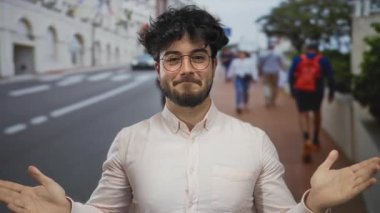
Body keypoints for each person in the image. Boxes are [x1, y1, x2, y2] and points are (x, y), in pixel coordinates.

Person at [0, 5, 379, 213]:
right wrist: (68, 211)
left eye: (198, 57)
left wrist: (312, 205)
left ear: (215, 64)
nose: (186, 69)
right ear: (158, 67)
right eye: (173, 58)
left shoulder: (255, 141)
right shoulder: (129, 141)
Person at [288, 43, 335, 163]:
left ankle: (306, 138)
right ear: (318, 50)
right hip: (317, 90)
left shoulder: (298, 59)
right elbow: (330, 77)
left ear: (306, 50)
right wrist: (331, 92)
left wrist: (292, 90)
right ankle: (316, 139)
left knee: (303, 114)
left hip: (301, 89)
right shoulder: (323, 60)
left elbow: (290, 75)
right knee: (317, 112)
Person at [227, 50, 258, 114]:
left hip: (247, 78)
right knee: (239, 91)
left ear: (245, 54)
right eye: (240, 53)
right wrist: (229, 76)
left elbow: (253, 69)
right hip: (238, 78)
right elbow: (231, 69)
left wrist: (255, 78)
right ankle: (238, 106)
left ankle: (246, 104)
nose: (241, 55)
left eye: (242, 54)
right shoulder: (235, 61)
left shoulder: (250, 61)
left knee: (246, 92)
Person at [258, 44, 284, 108]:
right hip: (275, 71)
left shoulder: (263, 55)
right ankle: (273, 100)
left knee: (266, 85)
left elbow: (260, 64)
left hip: (266, 71)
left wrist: (260, 71)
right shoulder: (278, 54)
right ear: (273, 47)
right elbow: (280, 63)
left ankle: (267, 100)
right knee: (274, 86)